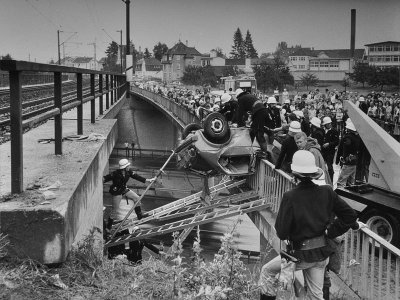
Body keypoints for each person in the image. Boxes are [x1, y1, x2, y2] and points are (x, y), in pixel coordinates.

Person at [259, 150, 363, 300]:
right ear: (314, 172)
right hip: (321, 253)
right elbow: (350, 216)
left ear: (294, 173)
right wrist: (331, 232)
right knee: (316, 295)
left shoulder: (290, 197)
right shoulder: (327, 191)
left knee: (267, 271)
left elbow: (281, 233)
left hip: (300, 254)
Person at [103, 158, 156, 227]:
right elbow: (105, 178)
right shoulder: (115, 173)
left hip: (124, 189)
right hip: (117, 192)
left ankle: (140, 215)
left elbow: (136, 176)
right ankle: (108, 227)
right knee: (114, 211)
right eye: (127, 166)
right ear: (124, 168)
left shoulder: (128, 172)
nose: (129, 167)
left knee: (137, 198)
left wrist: (148, 180)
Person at [335, 119, 360, 188]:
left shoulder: (347, 137)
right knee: (351, 182)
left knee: (341, 182)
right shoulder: (358, 138)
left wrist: (338, 159)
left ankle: (340, 195)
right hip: (354, 161)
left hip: (348, 162)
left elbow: (343, 149)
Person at [321, 117, 339, 183]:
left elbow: (337, 142)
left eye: (329, 123)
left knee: (329, 166)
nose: (329, 125)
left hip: (330, 151)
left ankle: (331, 180)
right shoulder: (322, 131)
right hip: (323, 151)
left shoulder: (334, 131)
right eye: (327, 124)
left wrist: (329, 144)